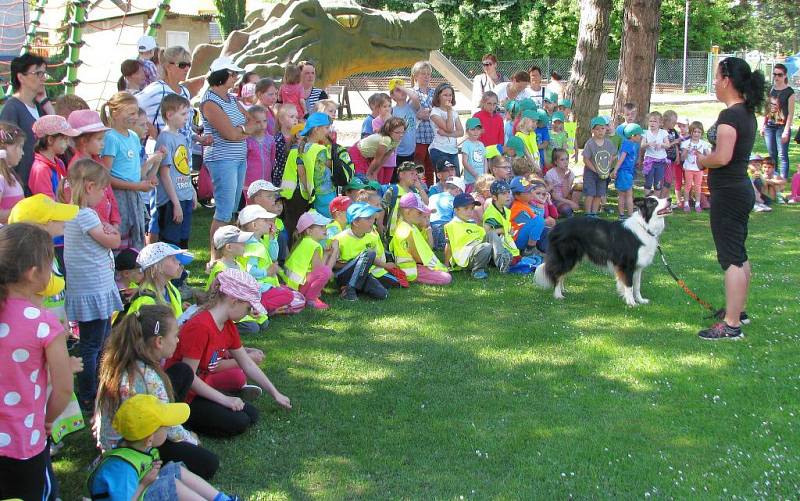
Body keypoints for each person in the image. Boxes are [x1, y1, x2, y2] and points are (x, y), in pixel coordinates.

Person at [95, 305, 220, 480]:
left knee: (183, 371)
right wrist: (192, 441)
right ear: (159, 341)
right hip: (133, 446)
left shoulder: (120, 360)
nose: (178, 341)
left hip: (119, 437)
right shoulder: (148, 377)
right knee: (208, 462)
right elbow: (168, 425)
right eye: (175, 335)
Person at [165, 269, 292, 437]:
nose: (249, 313)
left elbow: (246, 363)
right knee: (239, 422)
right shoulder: (200, 327)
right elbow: (189, 377)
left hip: (201, 387)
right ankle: (181, 420)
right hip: (182, 393)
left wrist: (275, 393)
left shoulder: (228, 325)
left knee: (251, 415)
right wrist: (224, 399)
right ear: (233, 301)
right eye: (248, 308)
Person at [0, 223, 73, 501]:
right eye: (50, 263)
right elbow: (64, 388)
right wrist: (46, 421)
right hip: (23, 443)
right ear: (33, 274)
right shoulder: (43, 322)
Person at [697, 56, 764, 340]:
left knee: (731, 258)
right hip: (740, 190)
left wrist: (702, 161)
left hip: (729, 192)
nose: (714, 83)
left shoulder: (730, 116)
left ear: (726, 80)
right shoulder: (747, 114)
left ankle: (732, 324)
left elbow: (723, 157)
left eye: (716, 77)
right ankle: (739, 311)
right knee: (739, 252)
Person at [89, 394, 239, 500]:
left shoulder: (137, 447)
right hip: (138, 493)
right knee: (168, 484)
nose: (168, 429)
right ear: (149, 439)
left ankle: (222, 499)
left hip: (142, 491)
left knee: (175, 469)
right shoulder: (122, 468)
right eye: (165, 427)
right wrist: (143, 484)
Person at [63, 160, 123, 410]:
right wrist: (113, 233)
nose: (103, 195)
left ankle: (101, 384)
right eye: (102, 190)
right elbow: (113, 242)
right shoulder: (86, 214)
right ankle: (89, 392)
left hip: (91, 287)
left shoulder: (72, 212)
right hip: (93, 288)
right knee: (93, 344)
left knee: (99, 340)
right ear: (89, 187)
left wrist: (107, 229)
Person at [200, 57, 254, 261]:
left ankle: (227, 253)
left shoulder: (231, 99)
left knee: (231, 209)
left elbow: (251, 122)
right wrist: (243, 131)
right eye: (232, 74)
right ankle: (214, 258)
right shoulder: (209, 102)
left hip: (238, 157)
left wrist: (240, 131)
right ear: (221, 76)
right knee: (223, 211)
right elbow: (229, 134)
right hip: (222, 159)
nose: (236, 77)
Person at [101, 92, 162, 250]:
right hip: (119, 198)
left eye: (136, 112)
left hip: (134, 196)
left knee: (135, 241)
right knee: (120, 241)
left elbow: (136, 172)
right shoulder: (110, 138)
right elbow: (105, 177)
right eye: (131, 113)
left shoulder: (134, 136)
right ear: (115, 113)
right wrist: (137, 186)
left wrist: (148, 177)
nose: (135, 117)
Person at [0, 53, 55, 192]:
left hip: (43, 182)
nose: (43, 78)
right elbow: (5, 148)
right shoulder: (12, 108)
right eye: (38, 73)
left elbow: (58, 131)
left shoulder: (40, 107)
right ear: (21, 77)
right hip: (21, 184)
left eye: (44, 73)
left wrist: (46, 103)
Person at [237, 205, 305, 314]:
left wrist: (272, 237)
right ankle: (259, 308)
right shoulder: (253, 246)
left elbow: (273, 256)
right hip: (258, 289)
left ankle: (267, 305)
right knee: (288, 295)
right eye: (265, 220)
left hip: (263, 286)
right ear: (254, 225)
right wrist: (267, 272)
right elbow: (250, 272)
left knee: (288, 292)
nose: (269, 223)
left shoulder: (258, 242)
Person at [153, 94, 195, 249]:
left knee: (183, 239)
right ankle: (170, 272)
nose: (187, 118)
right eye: (183, 114)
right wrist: (176, 203)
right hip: (171, 200)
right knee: (171, 242)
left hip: (185, 196)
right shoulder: (165, 139)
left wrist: (192, 191)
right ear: (169, 115)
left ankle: (180, 271)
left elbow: (184, 168)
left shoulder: (181, 137)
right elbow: (164, 175)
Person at [333, 202, 398, 301]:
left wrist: (385, 266)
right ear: (355, 222)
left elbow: (371, 259)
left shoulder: (372, 237)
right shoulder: (339, 239)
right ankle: (349, 290)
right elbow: (333, 265)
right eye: (368, 218)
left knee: (382, 294)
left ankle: (350, 288)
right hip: (344, 275)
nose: (372, 221)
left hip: (363, 273)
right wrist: (355, 263)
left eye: (373, 218)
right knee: (369, 253)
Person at [390, 192, 451, 284]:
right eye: (419, 212)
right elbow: (416, 256)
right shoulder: (406, 230)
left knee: (443, 272)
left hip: (416, 266)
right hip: (411, 270)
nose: (421, 215)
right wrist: (429, 266)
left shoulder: (410, 227)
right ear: (408, 212)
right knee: (446, 278)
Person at [284, 211, 336, 309]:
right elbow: (319, 271)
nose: (325, 229)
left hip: (291, 287)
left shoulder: (304, 242)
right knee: (326, 271)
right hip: (298, 289)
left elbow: (316, 270)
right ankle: (311, 299)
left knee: (324, 271)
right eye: (321, 227)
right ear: (309, 231)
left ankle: (308, 296)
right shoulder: (314, 245)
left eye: (325, 226)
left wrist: (325, 254)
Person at [444, 193, 492, 279]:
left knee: (491, 235)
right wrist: (446, 265)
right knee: (486, 246)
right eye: (466, 208)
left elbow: (485, 237)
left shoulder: (474, 225)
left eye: (472, 208)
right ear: (456, 210)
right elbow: (449, 245)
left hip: (478, 251)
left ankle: (503, 259)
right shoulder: (451, 226)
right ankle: (477, 271)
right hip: (465, 256)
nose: (470, 211)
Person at [298, 112, 337, 216]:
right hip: (326, 192)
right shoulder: (320, 149)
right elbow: (330, 166)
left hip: (313, 193)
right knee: (330, 220)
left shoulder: (302, 147)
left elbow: (301, 172)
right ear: (316, 129)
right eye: (326, 128)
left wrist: (308, 190)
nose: (329, 131)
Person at [349, 117, 406, 184]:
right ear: (389, 131)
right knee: (361, 178)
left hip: (369, 156)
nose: (401, 135)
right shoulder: (386, 140)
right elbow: (377, 159)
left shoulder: (397, 140)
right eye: (397, 132)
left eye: (403, 132)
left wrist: (375, 172)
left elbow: (386, 157)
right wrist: (369, 174)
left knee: (373, 177)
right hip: (357, 152)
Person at [763, 62, 795, 179]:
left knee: (782, 155)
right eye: (774, 74)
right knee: (772, 154)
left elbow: (791, 113)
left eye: (779, 75)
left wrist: (786, 131)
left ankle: (783, 179)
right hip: (770, 126)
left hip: (782, 127)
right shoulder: (771, 89)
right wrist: (763, 125)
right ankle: (774, 177)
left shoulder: (789, 92)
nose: (776, 77)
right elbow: (767, 108)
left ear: (785, 76)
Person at [482, 179, 518, 273]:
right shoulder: (490, 213)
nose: (508, 196)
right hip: (494, 248)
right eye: (503, 194)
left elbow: (507, 228)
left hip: (506, 243)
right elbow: (487, 233)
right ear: (494, 197)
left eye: (508, 192)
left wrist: (510, 230)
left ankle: (507, 258)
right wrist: (504, 230)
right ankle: (500, 261)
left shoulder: (506, 210)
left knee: (517, 260)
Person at [582, 116, 615, 217]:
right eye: (597, 129)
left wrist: (607, 169)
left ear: (606, 129)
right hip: (591, 173)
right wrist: (595, 170)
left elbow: (612, 156)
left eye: (603, 128)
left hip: (603, 173)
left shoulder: (609, 143)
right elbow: (585, 159)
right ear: (592, 130)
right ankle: (588, 213)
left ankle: (594, 213)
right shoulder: (590, 143)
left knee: (599, 193)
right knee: (590, 193)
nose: (600, 131)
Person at [411, 61, 437, 185]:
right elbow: (411, 113)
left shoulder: (434, 93)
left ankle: (431, 192)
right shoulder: (412, 93)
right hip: (418, 137)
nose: (426, 76)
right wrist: (419, 114)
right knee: (418, 167)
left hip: (432, 138)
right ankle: (419, 191)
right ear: (415, 76)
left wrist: (429, 113)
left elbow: (436, 112)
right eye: (423, 74)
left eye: (428, 74)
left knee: (431, 167)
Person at [428, 83, 463, 173]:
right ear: (438, 96)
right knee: (444, 180)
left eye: (450, 95)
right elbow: (450, 128)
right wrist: (449, 111)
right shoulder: (435, 112)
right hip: (439, 150)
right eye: (445, 95)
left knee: (455, 179)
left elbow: (461, 132)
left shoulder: (454, 112)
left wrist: (446, 134)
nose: (448, 98)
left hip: (453, 151)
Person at [612, 123, 642, 219]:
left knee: (626, 195)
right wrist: (615, 170)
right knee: (625, 195)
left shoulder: (630, 143)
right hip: (623, 172)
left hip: (628, 172)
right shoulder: (628, 144)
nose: (641, 137)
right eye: (639, 135)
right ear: (633, 136)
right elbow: (621, 158)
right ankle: (627, 215)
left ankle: (627, 215)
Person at [680, 121, 712, 212]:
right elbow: (682, 157)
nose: (696, 134)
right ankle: (686, 204)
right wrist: (686, 150)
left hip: (699, 169)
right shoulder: (686, 143)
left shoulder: (703, 144)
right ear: (690, 132)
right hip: (688, 168)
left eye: (699, 132)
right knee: (688, 186)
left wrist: (701, 154)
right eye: (694, 132)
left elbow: (708, 156)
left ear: (701, 133)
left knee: (698, 186)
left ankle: (698, 204)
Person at [390, 78, 420, 166]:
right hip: (397, 152)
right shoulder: (392, 111)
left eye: (403, 89)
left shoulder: (412, 107)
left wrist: (400, 87)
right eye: (398, 90)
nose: (402, 92)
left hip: (411, 151)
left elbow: (414, 96)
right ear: (392, 96)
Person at [0, 122, 26, 223]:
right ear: (4, 148)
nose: (23, 153)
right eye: (20, 147)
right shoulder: (0, 178)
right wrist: (24, 210)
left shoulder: (10, 177)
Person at [641, 111, 670, 196]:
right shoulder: (645, 132)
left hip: (660, 161)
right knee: (648, 182)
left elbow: (668, 145)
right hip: (649, 160)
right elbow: (642, 145)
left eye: (655, 121)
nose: (652, 123)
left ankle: (656, 201)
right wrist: (648, 144)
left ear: (660, 123)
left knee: (658, 182)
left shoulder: (663, 132)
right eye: (650, 121)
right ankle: (647, 199)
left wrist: (661, 145)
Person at [545, 148, 579, 217]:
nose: (565, 162)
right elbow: (554, 196)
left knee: (578, 188)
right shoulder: (550, 174)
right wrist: (571, 202)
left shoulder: (570, 174)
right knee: (566, 209)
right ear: (556, 162)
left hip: (565, 197)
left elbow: (566, 194)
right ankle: (557, 211)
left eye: (567, 159)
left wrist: (566, 179)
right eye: (562, 160)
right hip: (555, 200)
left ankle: (560, 212)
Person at [272, 104, 299, 186]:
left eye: (296, 117)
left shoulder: (299, 139)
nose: (295, 120)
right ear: (281, 120)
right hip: (280, 179)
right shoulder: (276, 140)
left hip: (296, 179)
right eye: (292, 117)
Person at [461, 118, 487, 191]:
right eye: (472, 129)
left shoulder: (481, 144)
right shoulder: (466, 144)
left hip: (481, 179)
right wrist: (475, 174)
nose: (476, 132)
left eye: (478, 129)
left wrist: (485, 174)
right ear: (467, 131)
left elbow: (484, 160)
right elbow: (464, 162)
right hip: (471, 180)